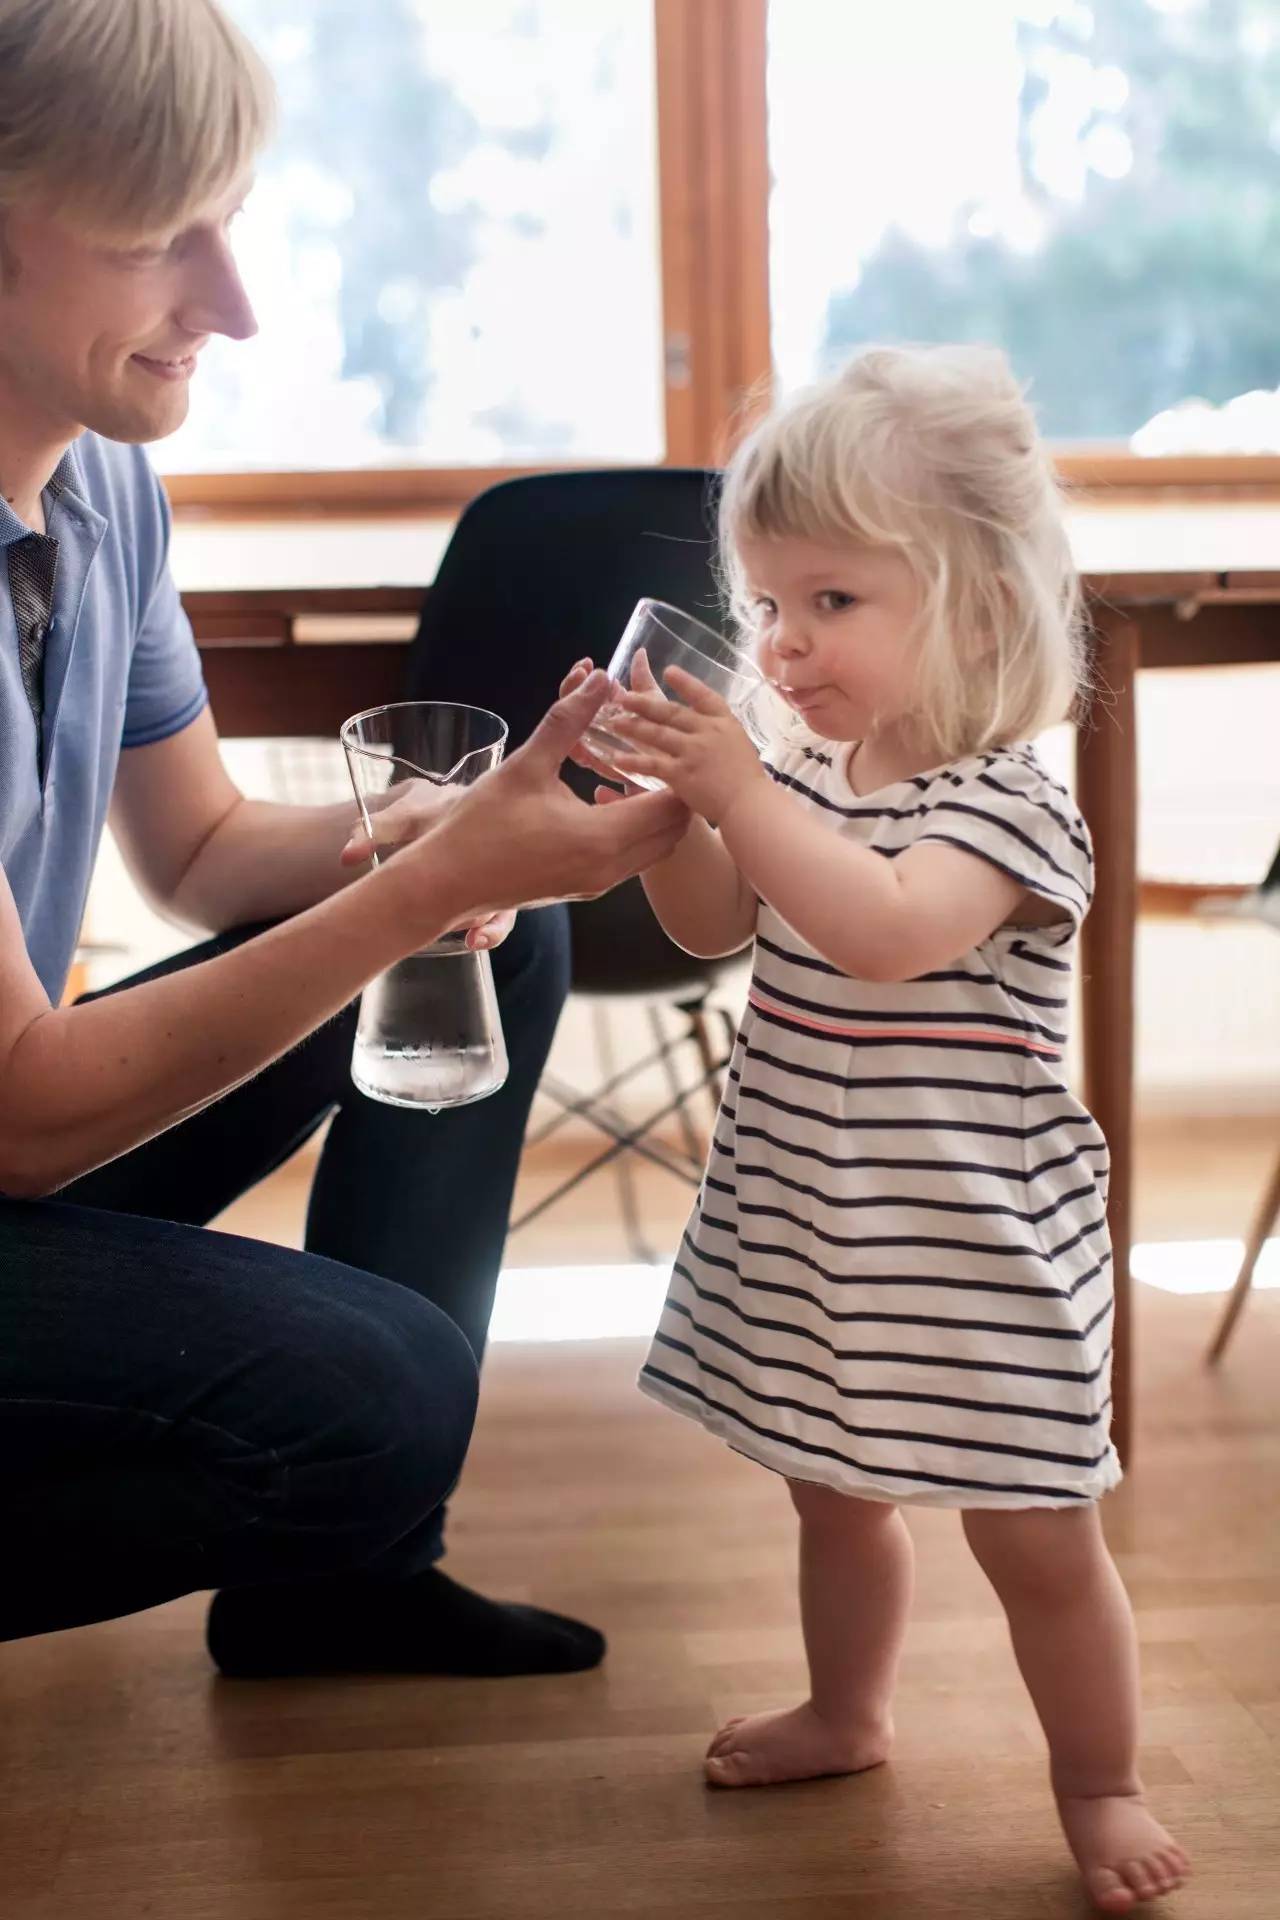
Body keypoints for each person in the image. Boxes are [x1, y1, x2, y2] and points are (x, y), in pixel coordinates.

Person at [0, 0, 689, 1677]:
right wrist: (429, 882)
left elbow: (210, 852)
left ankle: (345, 1587)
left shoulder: (98, 485)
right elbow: (23, 1124)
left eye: (228, 220)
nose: (231, 305)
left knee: (494, 926)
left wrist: (439, 836)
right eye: (161, 235)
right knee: (382, 1393)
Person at [571, 344, 1189, 1911]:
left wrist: (747, 794)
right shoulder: (810, 776)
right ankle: (849, 1709)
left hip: (970, 1252)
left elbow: (888, 932)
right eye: (768, 604)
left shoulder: (1009, 805)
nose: (782, 643)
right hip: (819, 1231)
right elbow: (720, 920)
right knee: (828, 1492)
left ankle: (1101, 1782)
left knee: (1036, 1540)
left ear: (975, 604)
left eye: (832, 602)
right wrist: (677, 805)